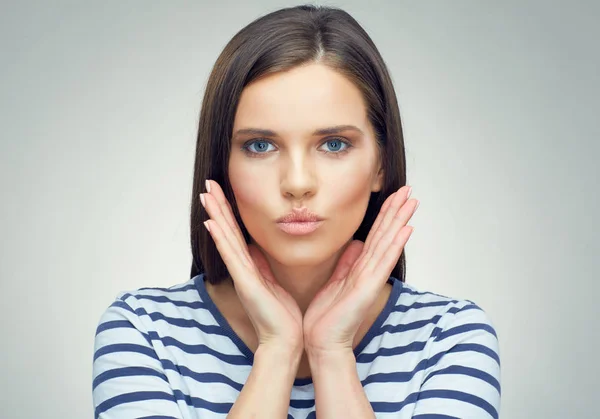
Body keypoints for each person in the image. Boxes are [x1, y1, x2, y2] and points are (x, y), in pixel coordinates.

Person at [92, 4, 501, 418]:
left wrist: (331, 353)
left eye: (334, 144)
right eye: (260, 146)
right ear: (222, 164)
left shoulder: (450, 336)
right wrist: (276, 351)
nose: (298, 182)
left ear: (381, 163)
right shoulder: (143, 331)